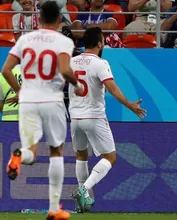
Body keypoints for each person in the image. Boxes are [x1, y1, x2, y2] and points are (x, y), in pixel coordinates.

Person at [1, 1, 84, 220]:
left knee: (31, 152)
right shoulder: (63, 40)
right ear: (59, 20)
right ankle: (54, 209)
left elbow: (6, 70)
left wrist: (20, 90)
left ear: (38, 19)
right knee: (56, 151)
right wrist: (77, 85)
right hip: (52, 100)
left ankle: (19, 155)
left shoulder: (25, 39)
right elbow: (65, 69)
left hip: (28, 101)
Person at [69, 27, 146, 213]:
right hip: (94, 116)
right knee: (110, 157)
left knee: (81, 155)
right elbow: (111, 88)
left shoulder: (70, 62)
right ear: (99, 43)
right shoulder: (100, 63)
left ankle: (84, 200)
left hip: (75, 117)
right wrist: (129, 105)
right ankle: (84, 189)